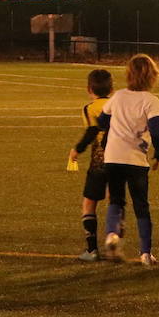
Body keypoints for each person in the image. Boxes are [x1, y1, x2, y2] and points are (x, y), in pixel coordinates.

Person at [95, 54, 159, 267]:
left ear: (129, 74)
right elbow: (155, 130)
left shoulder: (118, 96)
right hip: (136, 160)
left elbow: (102, 120)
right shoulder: (151, 101)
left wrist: (114, 129)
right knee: (141, 206)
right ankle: (145, 253)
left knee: (116, 200)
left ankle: (112, 235)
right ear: (152, 76)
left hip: (113, 157)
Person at [68, 68, 114, 263]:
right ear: (112, 88)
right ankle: (115, 243)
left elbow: (92, 131)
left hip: (99, 161)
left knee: (89, 203)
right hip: (120, 160)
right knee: (115, 203)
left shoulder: (89, 108)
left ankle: (92, 249)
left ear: (89, 89)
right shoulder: (117, 105)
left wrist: (76, 150)